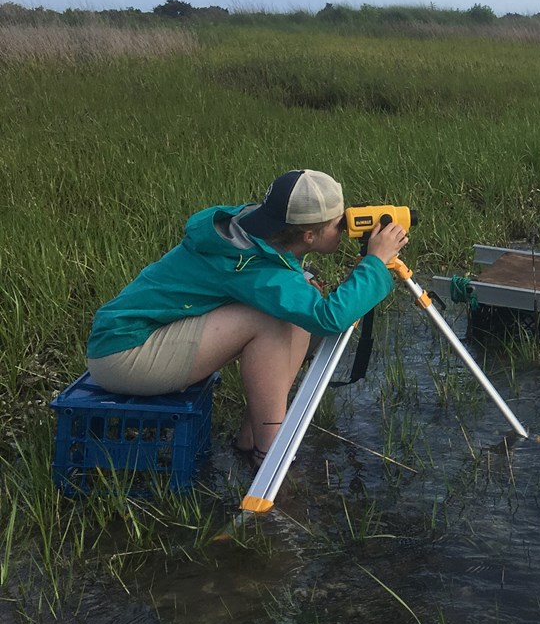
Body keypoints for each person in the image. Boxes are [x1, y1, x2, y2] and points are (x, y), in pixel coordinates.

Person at [85, 169, 409, 462]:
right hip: (123, 353)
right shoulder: (249, 263)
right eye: (339, 223)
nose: (346, 229)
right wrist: (375, 262)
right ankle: (270, 458)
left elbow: (299, 297)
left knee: (298, 301)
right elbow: (329, 318)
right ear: (308, 236)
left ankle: (252, 440)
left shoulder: (256, 232)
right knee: (269, 320)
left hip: (142, 334)